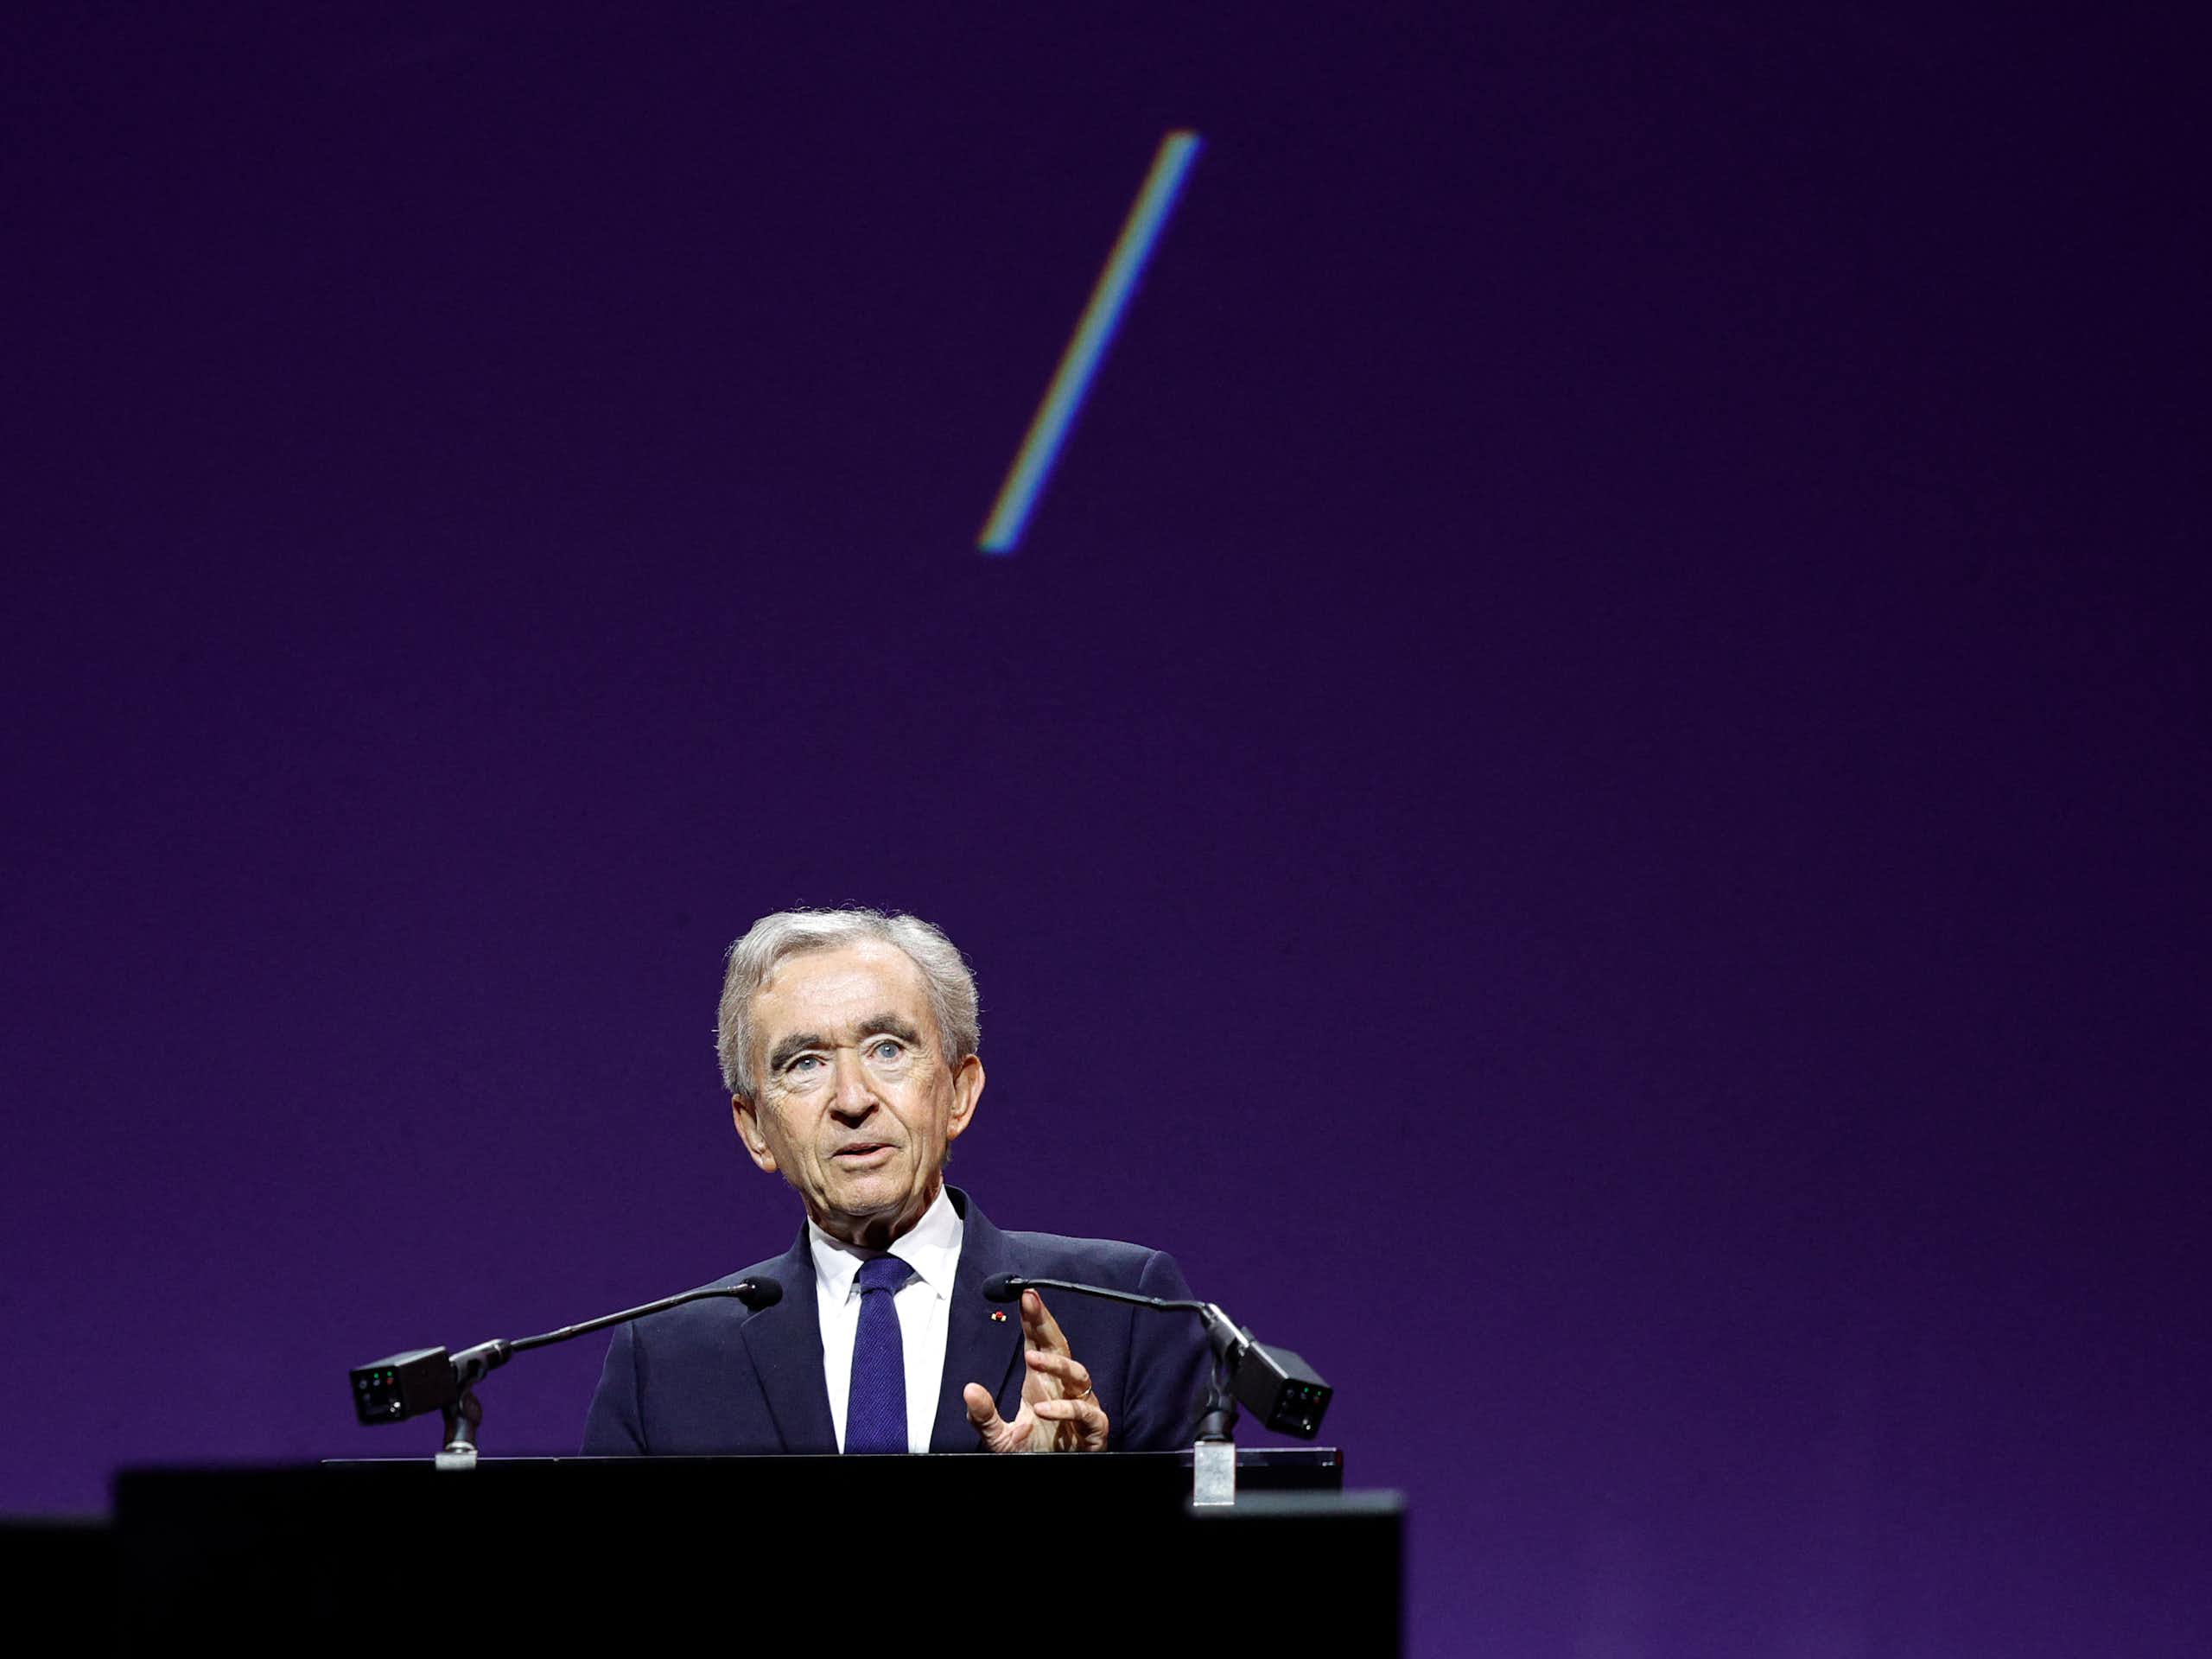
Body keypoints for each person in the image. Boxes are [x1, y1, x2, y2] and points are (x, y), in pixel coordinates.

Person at [582, 907, 1211, 1455]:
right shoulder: (664, 1360)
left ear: (959, 1092)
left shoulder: (1126, 1310)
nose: (852, 1099)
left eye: (887, 1049)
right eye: (805, 1064)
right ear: (755, 1130)